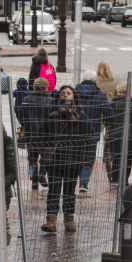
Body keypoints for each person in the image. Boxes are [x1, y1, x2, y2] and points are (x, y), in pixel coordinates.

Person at [42, 86, 95, 233]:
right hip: (54, 160)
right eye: (63, 93)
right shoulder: (52, 115)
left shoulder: (81, 116)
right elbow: (43, 137)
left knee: (69, 192)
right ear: (59, 97)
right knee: (53, 190)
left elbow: (90, 138)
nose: (66, 96)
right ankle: (51, 220)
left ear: (74, 97)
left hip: (74, 160)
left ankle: (69, 219)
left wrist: (88, 159)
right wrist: (42, 160)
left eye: (69, 93)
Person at [74, 71, 113, 193]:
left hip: (75, 131)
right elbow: (109, 114)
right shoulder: (100, 94)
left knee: (76, 156)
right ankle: (84, 183)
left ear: (83, 79)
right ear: (95, 80)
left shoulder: (74, 92)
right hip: (93, 131)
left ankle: (73, 181)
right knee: (89, 158)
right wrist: (106, 122)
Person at [104, 82, 132, 186]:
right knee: (128, 159)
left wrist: (109, 132)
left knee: (115, 157)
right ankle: (125, 180)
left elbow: (108, 120)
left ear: (119, 90)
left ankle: (115, 178)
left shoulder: (112, 103)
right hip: (130, 136)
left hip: (115, 135)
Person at [19, 77, 53, 190]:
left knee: (32, 158)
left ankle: (34, 180)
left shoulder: (26, 99)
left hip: (30, 133)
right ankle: (42, 174)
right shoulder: (50, 101)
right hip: (46, 134)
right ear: (46, 87)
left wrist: (25, 124)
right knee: (45, 155)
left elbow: (20, 114)